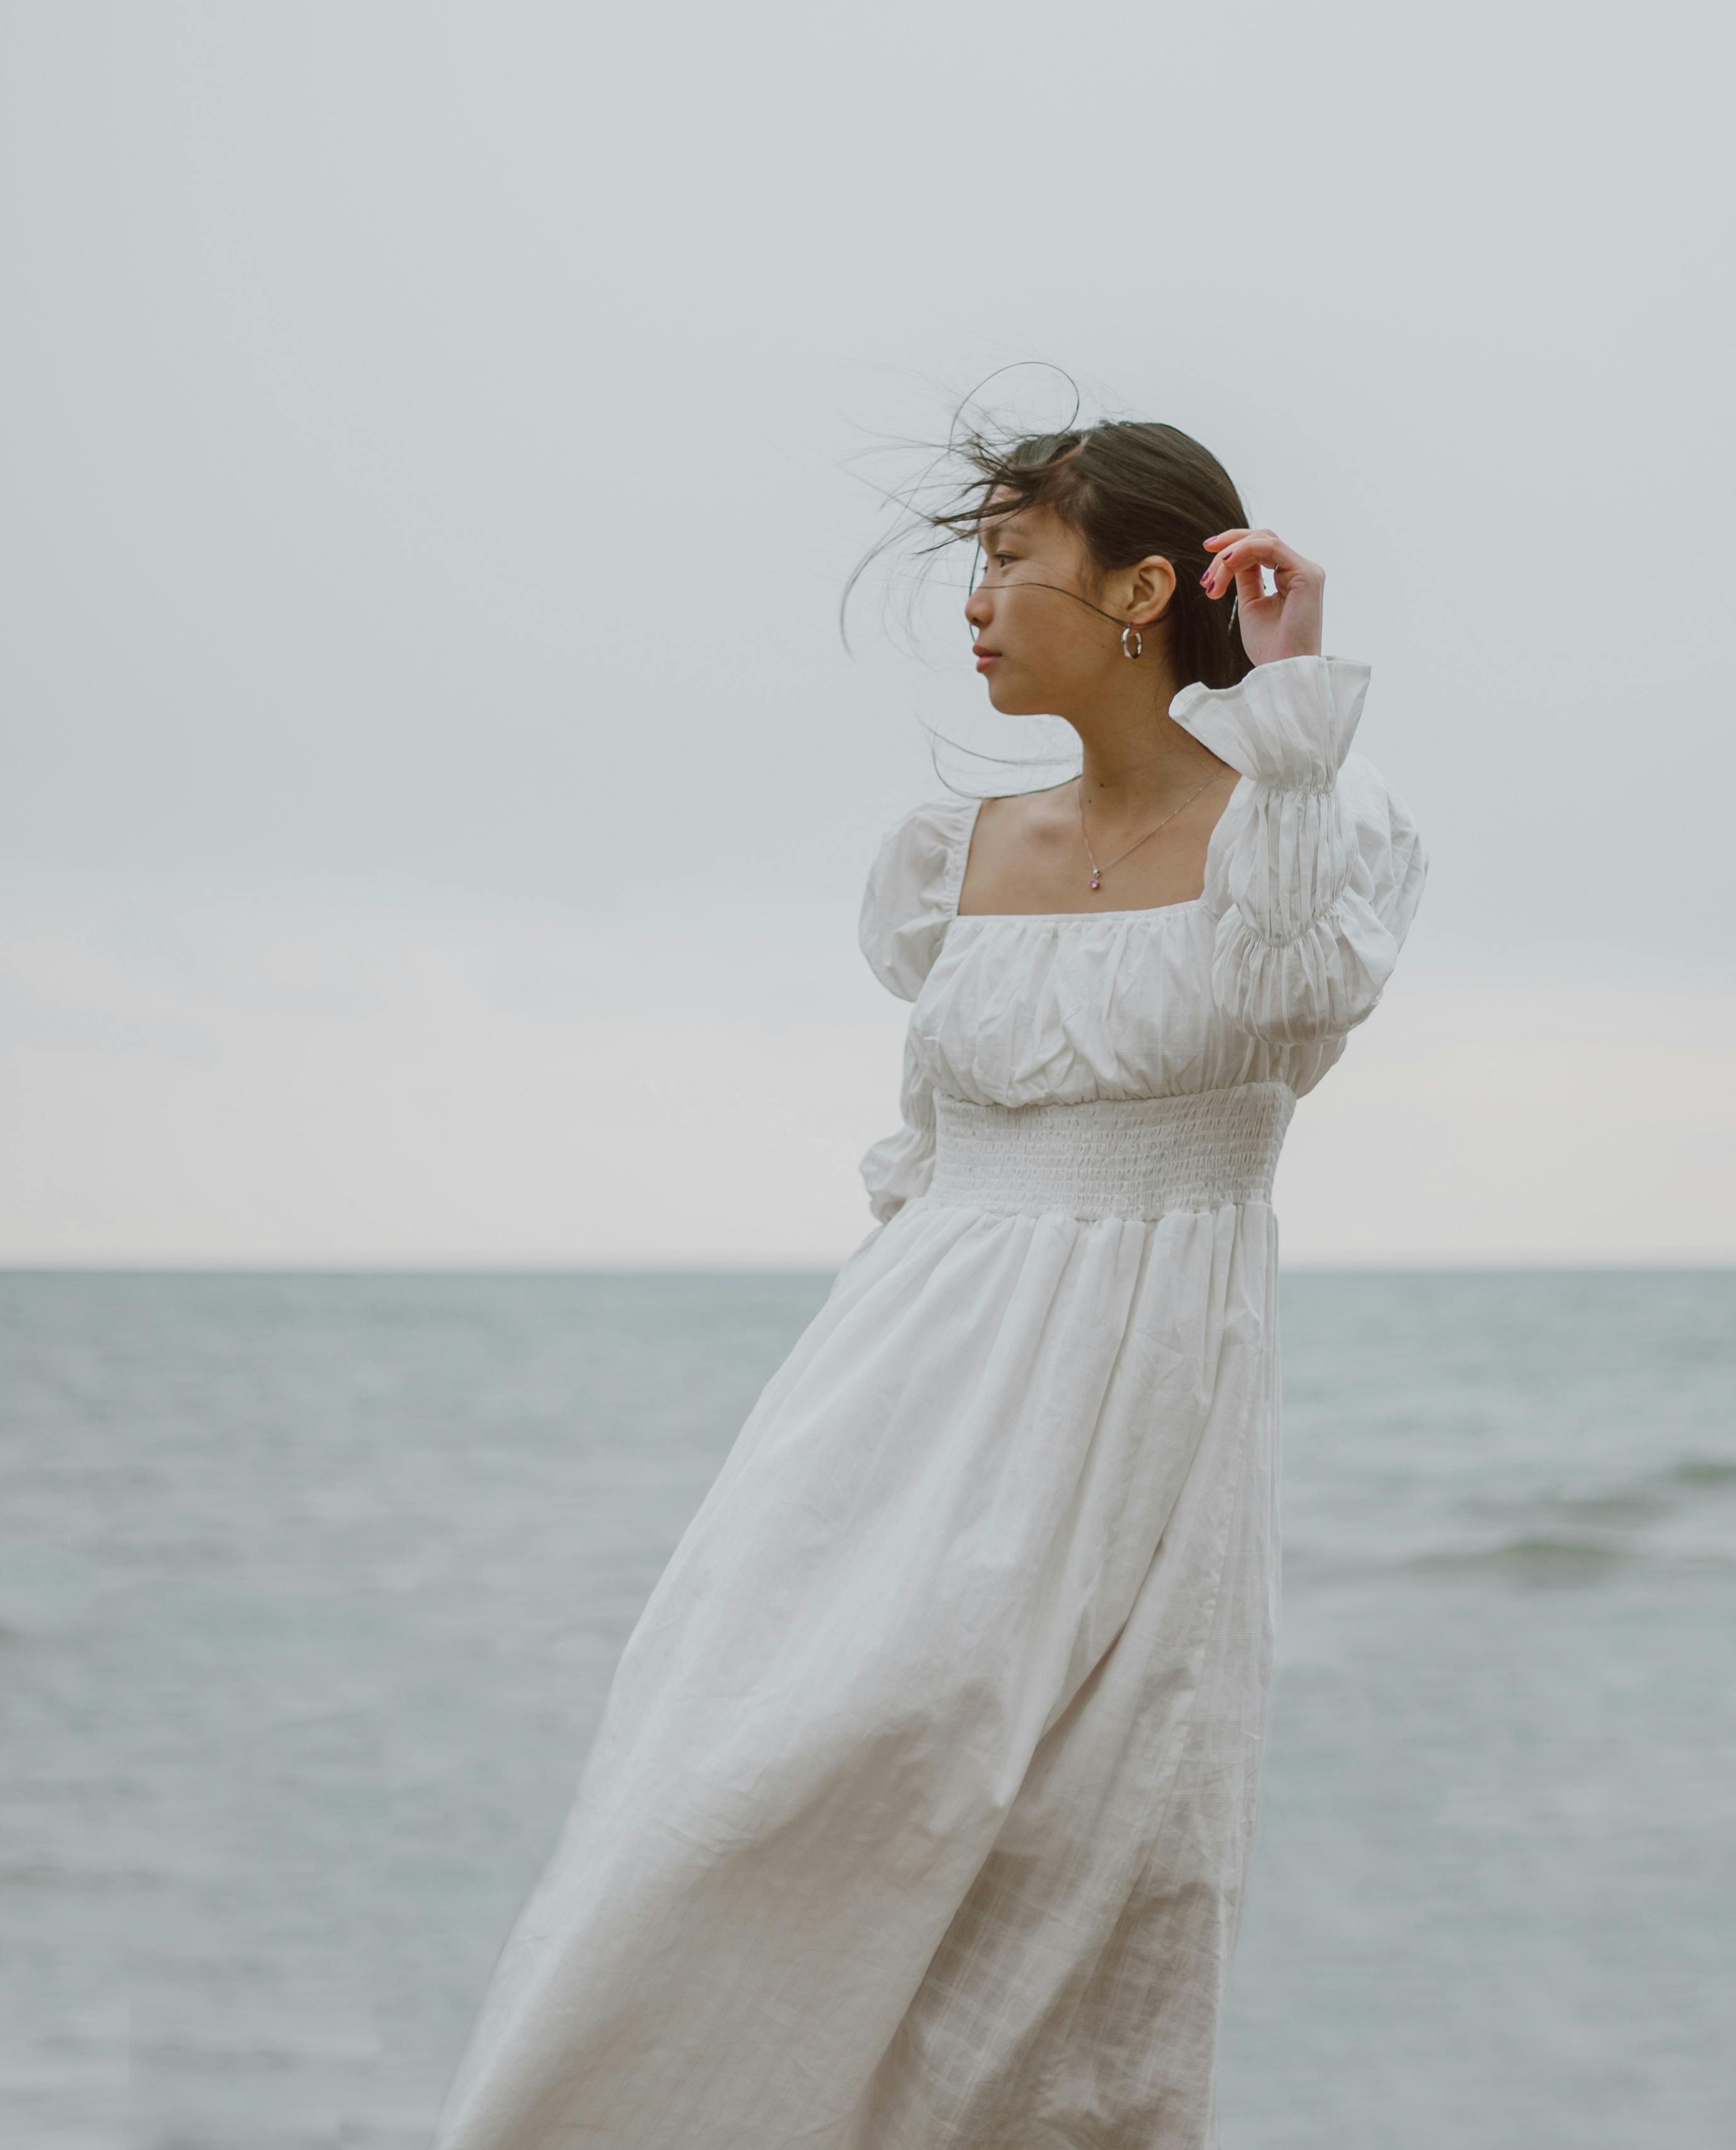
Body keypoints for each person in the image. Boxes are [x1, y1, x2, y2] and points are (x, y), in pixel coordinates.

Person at [430, 414, 1426, 2150]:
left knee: (1088, 1863)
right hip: (900, 1383)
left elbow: (1285, 999)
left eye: (1008, 563)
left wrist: (1286, 710)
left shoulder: (1309, 836)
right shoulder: (946, 857)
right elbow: (927, 1151)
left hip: (1145, 1402)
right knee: (728, 1787)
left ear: (1135, 589)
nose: (971, 606)